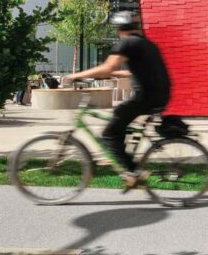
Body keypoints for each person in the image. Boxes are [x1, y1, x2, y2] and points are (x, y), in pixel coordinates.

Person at [63, 11, 171, 188]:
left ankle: (133, 172)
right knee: (119, 122)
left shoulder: (127, 43)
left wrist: (75, 76)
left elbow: (107, 67)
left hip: (146, 97)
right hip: (159, 95)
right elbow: (132, 72)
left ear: (119, 28)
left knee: (109, 133)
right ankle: (125, 160)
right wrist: (113, 73)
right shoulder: (146, 44)